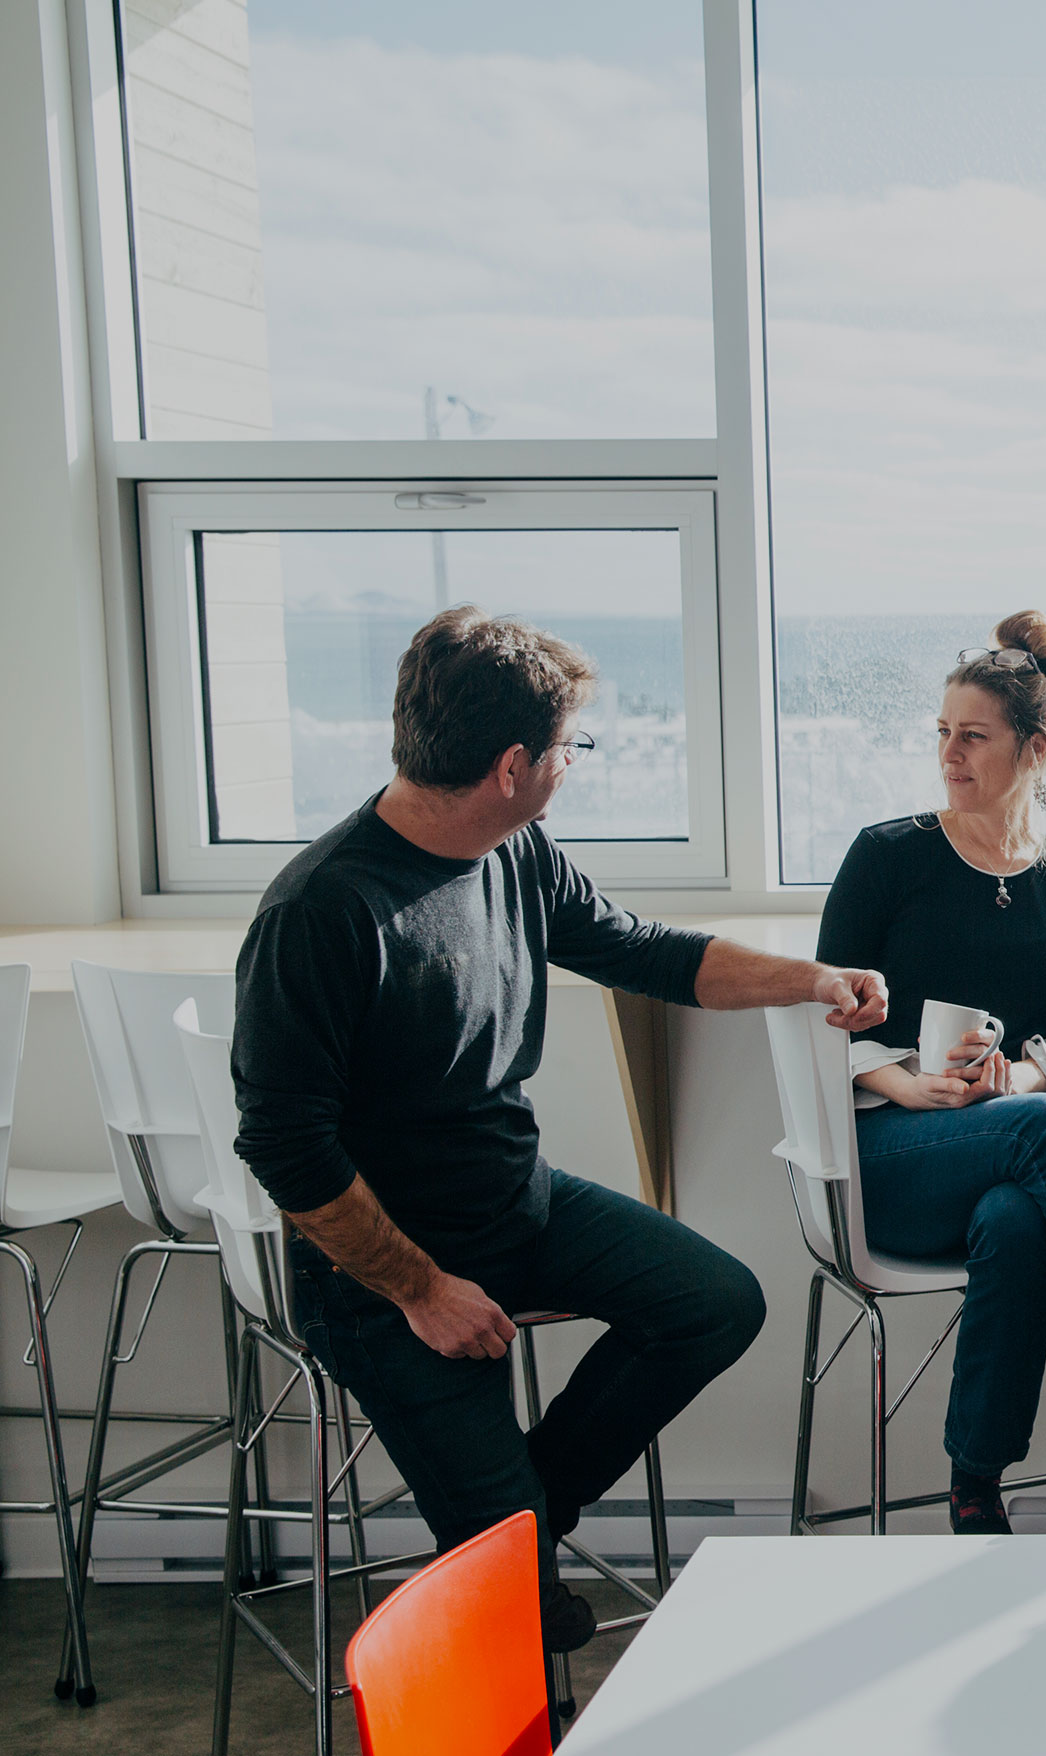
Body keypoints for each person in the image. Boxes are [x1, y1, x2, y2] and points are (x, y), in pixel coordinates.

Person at [234, 608, 889, 1651]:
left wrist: (810, 981)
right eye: (569, 747)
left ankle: (527, 1508)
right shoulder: (322, 912)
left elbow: (642, 951)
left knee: (715, 1302)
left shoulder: (515, 849)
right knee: (530, 1615)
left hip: (517, 1211)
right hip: (380, 1280)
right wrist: (422, 1291)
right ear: (510, 765)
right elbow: (284, 1148)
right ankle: (516, 1553)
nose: (571, 765)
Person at [814, 612, 1046, 1536]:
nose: (949, 753)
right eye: (943, 733)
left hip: (1004, 1149)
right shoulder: (887, 856)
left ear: (1037, 748)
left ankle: (974, 1486)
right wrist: (907, 1083)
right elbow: (825, 1013)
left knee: (1019, 1217)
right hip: (887, 1160)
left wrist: (1007, 1083)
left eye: (972, 736)